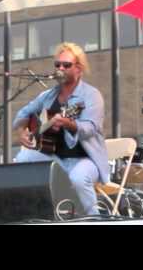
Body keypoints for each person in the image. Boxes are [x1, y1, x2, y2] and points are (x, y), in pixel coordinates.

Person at [13, 42, 109, 216]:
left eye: (67, 65)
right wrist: (22, 133)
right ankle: (29, 212)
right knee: (22, 159)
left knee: (78, 178)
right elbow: (22, 114)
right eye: (57, 65)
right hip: (55, 157)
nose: (61, 68)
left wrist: (67, 123)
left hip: (85, 160)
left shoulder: (91, 95)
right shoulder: (47, 96)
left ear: (79, 68)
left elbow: (90, 128)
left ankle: (94, 217)